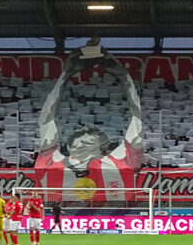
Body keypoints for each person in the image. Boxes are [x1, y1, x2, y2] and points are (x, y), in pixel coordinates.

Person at [35, 46, 145, 202]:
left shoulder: (124, 161)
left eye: (87, 141)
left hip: (115, 219)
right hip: (57, 217)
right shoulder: (50, 161)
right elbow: (46, 119)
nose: (80, 144)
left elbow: (137, 117)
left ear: (102, 146)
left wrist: (123, 76)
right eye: (77, 141)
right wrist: (66, 75)